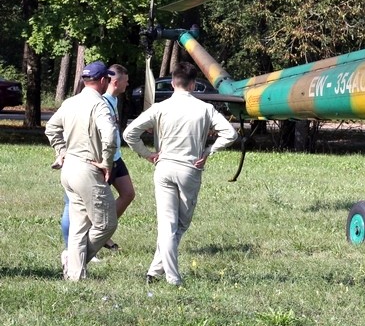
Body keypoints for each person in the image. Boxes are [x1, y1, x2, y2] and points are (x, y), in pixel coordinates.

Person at [123, 61, 237, 286]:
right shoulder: (205, 109)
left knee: (168, 225)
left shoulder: (160, 107)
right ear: (193, 84)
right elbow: (230, 134)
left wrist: (147, 154)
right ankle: (172, 278)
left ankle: (154, 271)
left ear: (173, 82)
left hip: (163, 167)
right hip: (189, 169)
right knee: (178, 226)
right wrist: (209, 150)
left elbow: (129, 133)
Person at [45, 60, 118, 280]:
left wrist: (62, 151)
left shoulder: (70, 102)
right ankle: (73, 260)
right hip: (88, 170)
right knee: (106, 224)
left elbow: (51, 128)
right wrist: (107, 163)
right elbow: (110, 137)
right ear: (103, 80)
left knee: (79, 226)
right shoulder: (100, 105)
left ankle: (75, 276)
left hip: (69, 169)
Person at [56, 64, 133, 251]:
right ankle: (75, 250)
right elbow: (64, 129)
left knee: (128, 194)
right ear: (111, 81)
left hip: (114, 158)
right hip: (95, 161)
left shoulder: (112, 100)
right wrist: (62, 152)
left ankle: (96, 239)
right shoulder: (98, 102)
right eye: (126, 81)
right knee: (82, 208)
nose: (128, 84)